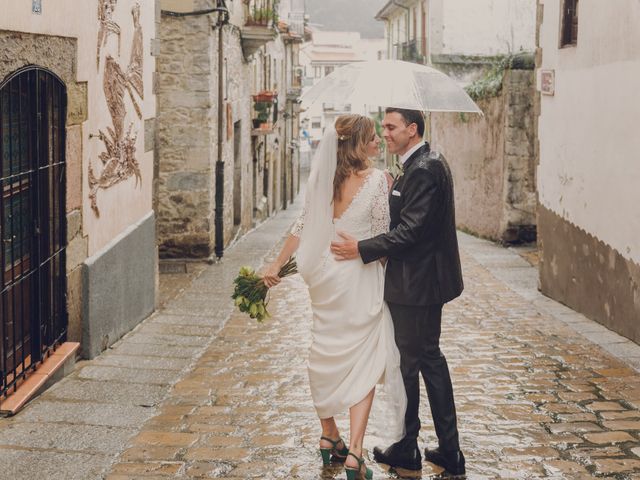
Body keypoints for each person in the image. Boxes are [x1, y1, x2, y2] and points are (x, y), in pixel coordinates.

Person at [263, 114, 406, 480]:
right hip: (358, 275)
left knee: (324, 351)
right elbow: (380, 233)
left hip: (325, 278)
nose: (377, 142)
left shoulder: (322, 181)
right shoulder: (377, 180)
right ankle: (355, 453)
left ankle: (329, 435)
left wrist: (276, 264)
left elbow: (301, 225)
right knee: (366, 361)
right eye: (373, 137)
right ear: (358, 144)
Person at [330, 108, 466, 476]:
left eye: (390, 127)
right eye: (384, 128)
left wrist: (361, 248)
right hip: (418, 282)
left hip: (417, 285)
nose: (385, 133)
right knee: (422, 361)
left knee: (419, 362)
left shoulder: (424, 169)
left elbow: (411, 231)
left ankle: (417, 448)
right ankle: (437, 448)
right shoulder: (418, 166)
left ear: (412, 128)